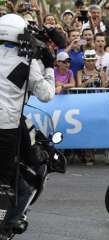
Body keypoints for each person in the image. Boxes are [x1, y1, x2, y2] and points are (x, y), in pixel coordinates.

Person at [0, 13, 55, 233]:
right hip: (6, 127)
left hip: (13, 122)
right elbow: (47, 95)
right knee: (7, 181)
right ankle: (7, 223)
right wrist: (49, 66)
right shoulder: (27, 62)